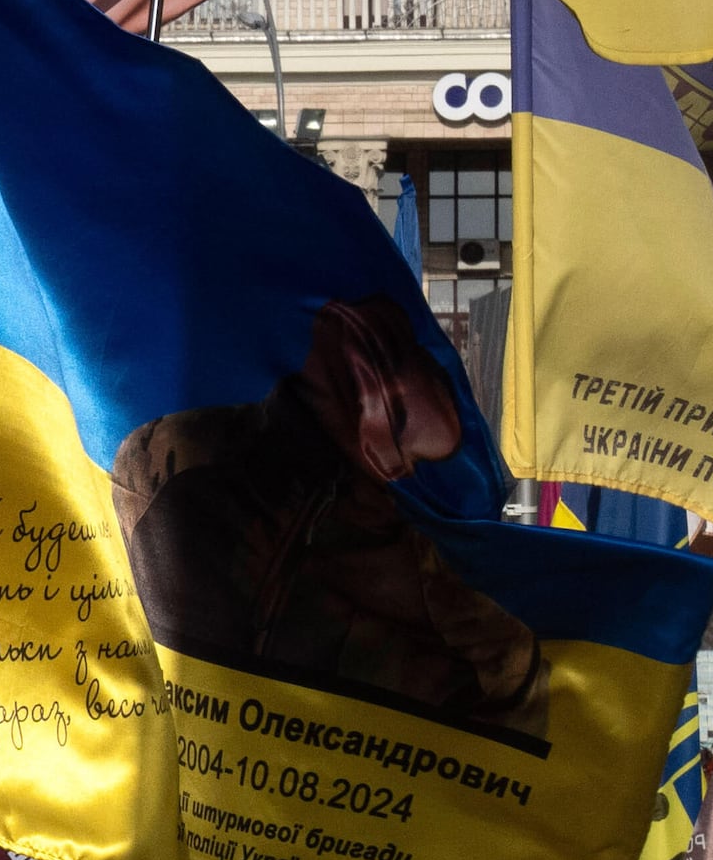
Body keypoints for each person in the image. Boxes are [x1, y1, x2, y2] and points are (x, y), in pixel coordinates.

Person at [111, 297, 550, 741]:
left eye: (407, 455)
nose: (396, 466)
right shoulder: (190, 462)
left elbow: (510, 693)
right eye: (392, 418)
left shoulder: (402, 548)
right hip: (205, 758)